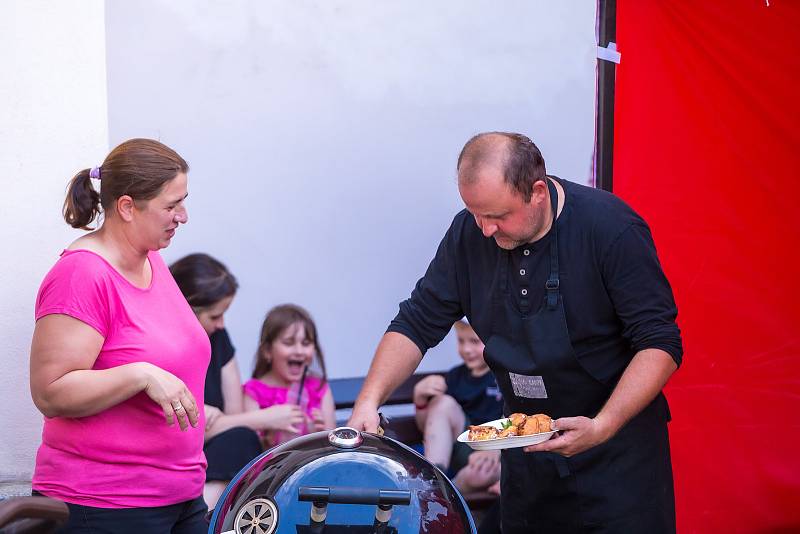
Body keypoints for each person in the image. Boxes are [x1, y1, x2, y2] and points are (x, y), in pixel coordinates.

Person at [349, 132, 683, 533]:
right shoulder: (468, 235)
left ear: (537, 192)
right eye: (475, 213)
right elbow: (416, 322)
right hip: (527, 460)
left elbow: (659, 343)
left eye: (498, 216)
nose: (486, 229)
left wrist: (603, 425)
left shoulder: (611, 229)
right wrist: (369, 400)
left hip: (615, 461)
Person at [29, 139, 209, 533]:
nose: (183, 216)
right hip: (106, 503)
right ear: (127, 207)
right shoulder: (82, 274)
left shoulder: (152, 260)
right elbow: (50, 393)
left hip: (180, 494)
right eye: (171, 205)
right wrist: (139, 374)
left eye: (184, 201)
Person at [170, 253, 307, 509]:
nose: (222, 324)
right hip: (173, 456)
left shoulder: (218, 339)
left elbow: (232, 419)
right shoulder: (162, 347)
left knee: (241, 440)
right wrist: (266, 418)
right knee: (240, 441)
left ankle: (203, 519)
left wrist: (215, 420)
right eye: (215, 316)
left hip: (212, 456)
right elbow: (185, 431)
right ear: (187, 309)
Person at [413, 320, 503, 494]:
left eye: (474, 342)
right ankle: (433, 476)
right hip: (464, 448)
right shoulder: (456, 377)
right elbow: (429, 428)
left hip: (497, 455)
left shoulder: (505, 375)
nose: (466, 349)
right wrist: (420, 400)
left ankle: (443, 495)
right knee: (442, 403)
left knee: (480, 475)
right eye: (461, 341)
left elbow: (517, 418)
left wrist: (495, 450)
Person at [243, 304, 336, 447]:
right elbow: (249, 452)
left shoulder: (320, 389)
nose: (299, 351)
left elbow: (332, 448)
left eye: (306, 343)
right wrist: (271, 438)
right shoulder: (253, 393)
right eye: (288, 343)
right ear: (267, 351)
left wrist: (318, 434)